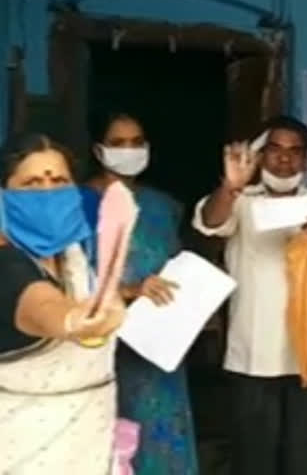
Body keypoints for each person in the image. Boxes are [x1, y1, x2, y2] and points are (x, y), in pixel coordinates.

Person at [192, 115, 307, 475]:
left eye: (294, 152)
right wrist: (230, 186)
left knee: (305, 459)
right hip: (252, 355)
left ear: (306, 159)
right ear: (261, 155)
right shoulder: (241, 200)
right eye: (275, 150)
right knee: (254, 459)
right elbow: (208, 224)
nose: (284, 160)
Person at [80, 112, 199, 474]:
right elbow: (68, 282)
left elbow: (175, 265)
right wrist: (131, 289)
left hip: (160, 349)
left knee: (162, 438)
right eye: (118, 143)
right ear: (99, 150)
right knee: (110, 446)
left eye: (137, 142)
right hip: (101, 347)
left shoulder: (162, 207)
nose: (129, 150)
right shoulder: (78, 206)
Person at [0, 133, 125, 473]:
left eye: (58, 181)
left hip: (89, 449)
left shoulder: (77, 258)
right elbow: (43, 308)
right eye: (31, 183)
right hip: (26, 454)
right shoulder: (7, 266)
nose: (48, 192)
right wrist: (75, 320)